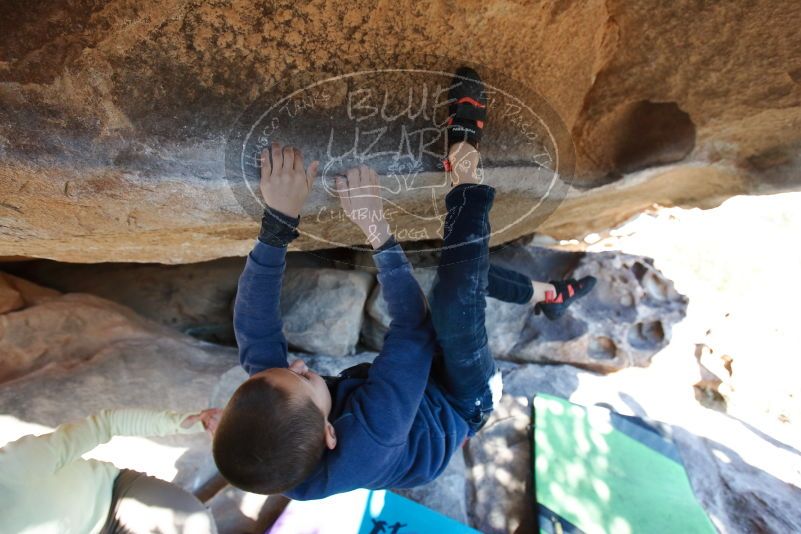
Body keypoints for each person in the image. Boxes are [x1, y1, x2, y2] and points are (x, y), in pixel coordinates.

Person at [212, 67, 595, 499]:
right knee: (452, 304)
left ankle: (551, 295)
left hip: (404, 395)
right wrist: (375, 225)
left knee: (460, 278)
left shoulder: (278, 432)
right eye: (302, 379)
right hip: (459, 400)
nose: (298, 366)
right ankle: (465, 157)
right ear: (329, 435)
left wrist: (278, 221)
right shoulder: (370, 440)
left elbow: (255, 325)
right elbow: (413, 327)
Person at [0, 408, 221, 533]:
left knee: (193, 524)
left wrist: (181, 422)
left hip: (115, 496)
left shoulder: (16, 463)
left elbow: (106, 424)